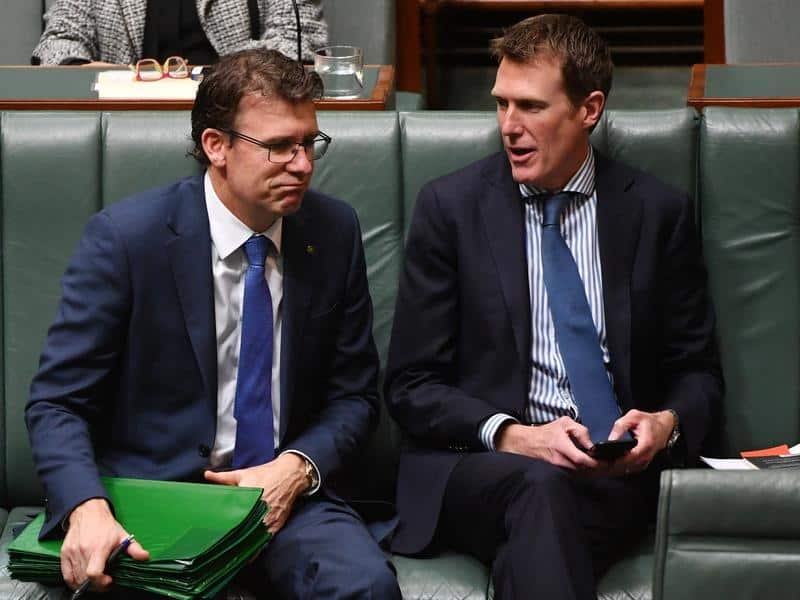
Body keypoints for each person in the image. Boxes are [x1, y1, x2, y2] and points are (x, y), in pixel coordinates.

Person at [24, 48, 400, 599]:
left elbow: (355, 396)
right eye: (279, 146)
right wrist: (86, 505)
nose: (302, 165)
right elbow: (58, 403)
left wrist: (297, 467)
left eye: (309, 143)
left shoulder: (333, 231)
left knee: (366, 588)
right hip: (157, 494)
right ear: (216, 146)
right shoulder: (127, 241)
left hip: (284, 495)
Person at [385, 13, 722, 599]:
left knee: (545, 522)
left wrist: (664, 425)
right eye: (501, 104)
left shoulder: (656, 213)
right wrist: (515, 436)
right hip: (485, 466)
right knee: (540, 489)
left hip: (612, 473)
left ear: (589, 109)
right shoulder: (451, 209)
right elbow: (411, 384)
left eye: (531, 107)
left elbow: (698, 371)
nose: (508, 126)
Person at [31, 0, 327, 66]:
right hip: (127, 121)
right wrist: (102, 76)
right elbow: (59, 44)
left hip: (241, 117)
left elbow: (298, 40)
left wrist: (228, 79)